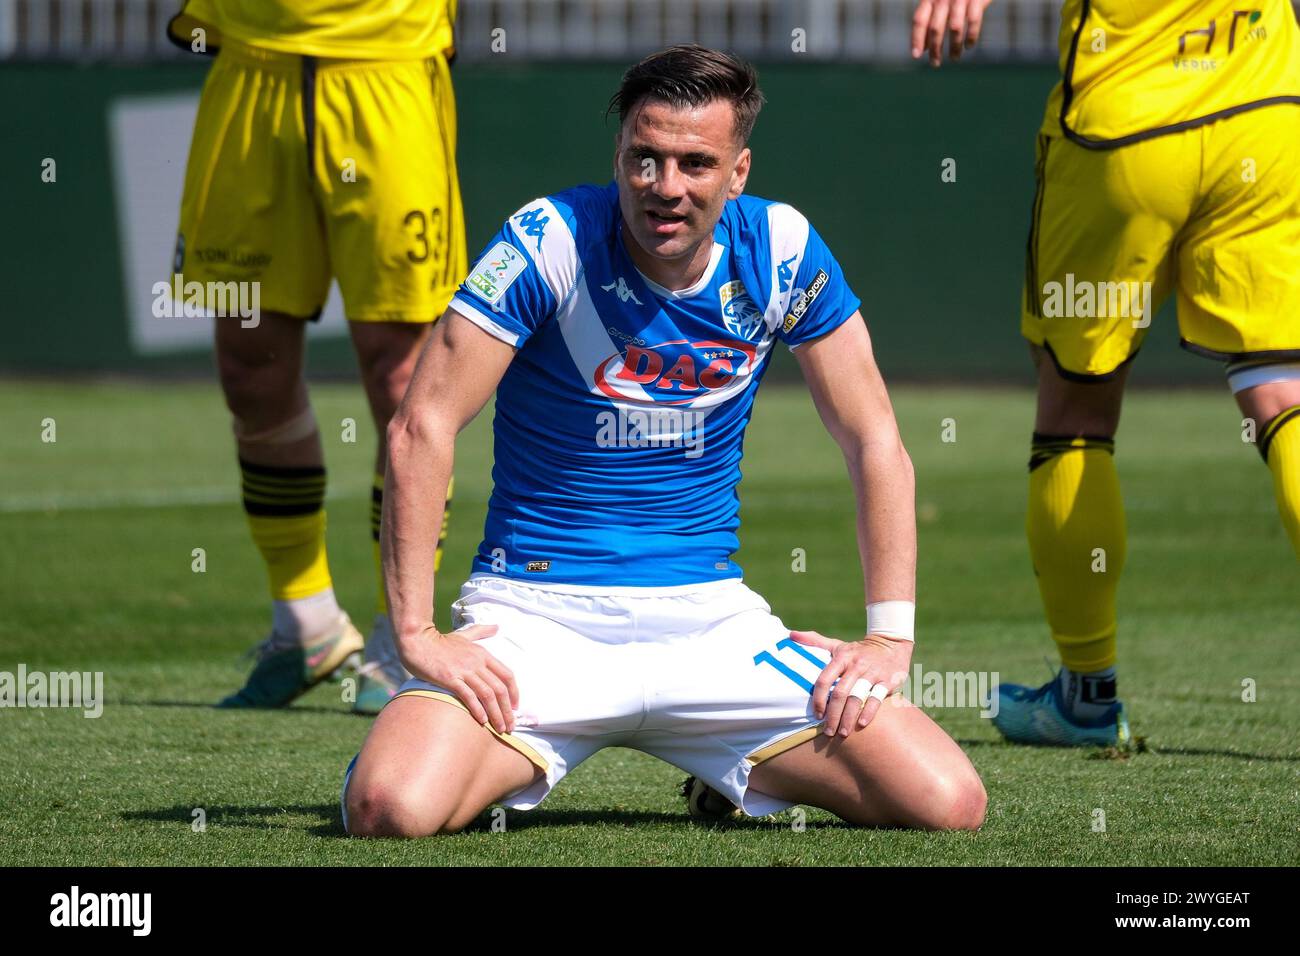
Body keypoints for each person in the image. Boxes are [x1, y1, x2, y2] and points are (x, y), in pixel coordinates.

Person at [341, 44, 986, 836]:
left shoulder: (781, 249)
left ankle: (731, 770)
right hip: (538, 619)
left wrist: (889, 637)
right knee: (389, 808)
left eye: (694, 164)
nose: (665, 188)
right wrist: (415, 634)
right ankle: (426, 744)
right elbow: (421, 424)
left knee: (947, 804)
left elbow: (874, 439)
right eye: (643, 160)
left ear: (738, 172)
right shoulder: (549, 239)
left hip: (711, 627)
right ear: (618, 155)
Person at [913, 0, 1300, 745]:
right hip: (1267, 109)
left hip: (1127, 128)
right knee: (1282, 393)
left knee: (1076, 411)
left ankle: (1086, 697)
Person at [166, 0, 466, 713]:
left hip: (384, 67)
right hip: (251, 63)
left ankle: (403, 634)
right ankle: (304, 622)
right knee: (249, 363)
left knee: (402, 373)